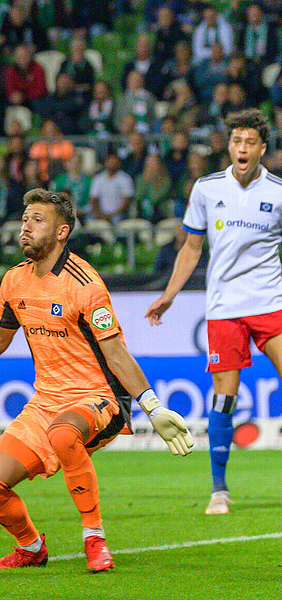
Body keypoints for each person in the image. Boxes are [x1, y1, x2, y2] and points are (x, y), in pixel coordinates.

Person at [0, 189, 194, 572]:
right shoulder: (15, 280)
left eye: (37, 220)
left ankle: (94, 537)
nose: (25, 228)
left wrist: (153, 407)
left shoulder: (85, 284)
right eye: (24, 219)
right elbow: (0, 335)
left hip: (99, 398)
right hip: (45, 401)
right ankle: (31, 548)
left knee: (63, 434)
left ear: (62, 232)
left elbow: (115, 351)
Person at [145, 108, 282, 515]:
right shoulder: (206, 189)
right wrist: (170, 293)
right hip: (223, 307)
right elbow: (191, 247)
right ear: (231, 146)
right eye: (236, 141)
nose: (242, 148)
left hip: (270, 302)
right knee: (225, 398)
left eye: (250, 143)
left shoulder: (277, 192)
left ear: (261, 149)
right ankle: (219, 490)